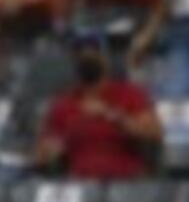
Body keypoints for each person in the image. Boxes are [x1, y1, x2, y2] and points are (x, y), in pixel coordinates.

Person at [35, 37, 162, 180]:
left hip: (124, 181)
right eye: (80, 53)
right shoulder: (63, 104)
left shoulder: (130, 94)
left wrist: (112, 115)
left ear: (105, 59)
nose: (86, 56)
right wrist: (51, 151)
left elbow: (154, 134)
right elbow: (41, 155)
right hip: (82, 184)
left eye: (93, 52)